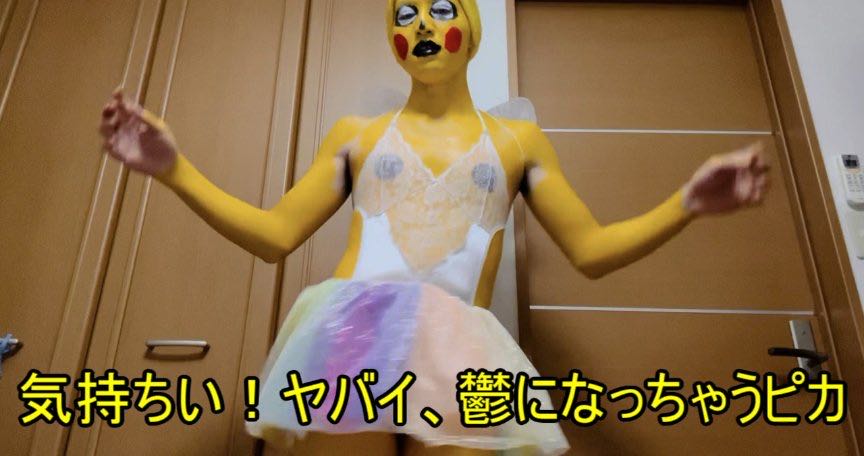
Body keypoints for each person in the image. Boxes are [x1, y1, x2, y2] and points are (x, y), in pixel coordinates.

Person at [98, 0, 769, 454]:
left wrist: (686, 204)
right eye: (404, 14)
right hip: (352, 334)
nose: (421, 23)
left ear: (470, 29)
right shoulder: (357, 134)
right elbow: (275, 236)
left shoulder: (519, 141)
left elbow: (591, 251)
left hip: (460, 344)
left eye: (441, 9)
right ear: (394, 43)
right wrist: (174, 170)